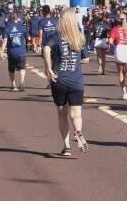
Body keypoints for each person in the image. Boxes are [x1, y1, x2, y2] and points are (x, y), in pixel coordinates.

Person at [42, 8, 89, 156]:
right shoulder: (79, 37)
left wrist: (49, 68)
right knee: (76, 113)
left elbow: (46, 49)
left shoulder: (57, 36)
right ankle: (79, 132)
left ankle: (66, 146)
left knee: (62, 114)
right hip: (77, 81)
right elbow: (86, 59)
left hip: (60, 80)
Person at [1, 13, 30, 92]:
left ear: (10, 19)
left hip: (11, 52)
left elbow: (5, 41)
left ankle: (13, 85)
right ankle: (21, 81)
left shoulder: (7, 28)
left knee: (11, 69)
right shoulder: (22, 27)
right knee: (22, 67)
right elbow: (29, 38)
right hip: (21, 51)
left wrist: (2, 51)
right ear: (18, 19)